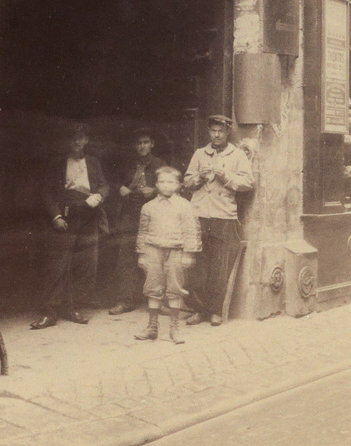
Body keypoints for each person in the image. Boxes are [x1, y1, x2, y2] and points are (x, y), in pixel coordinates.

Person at [30, 127, 110, 329]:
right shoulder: (57, 163)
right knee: (57, 265)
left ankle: (72, 308)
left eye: (80, 138)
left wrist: (99, 196)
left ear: (86, 140)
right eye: (73, 139)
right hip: (66, 216)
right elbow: (47, 191)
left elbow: (104, 185)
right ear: (68, 142)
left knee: (83, 264)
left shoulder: (93, 162)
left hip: (89, 217)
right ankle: (50, 313)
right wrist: (55, 215)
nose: (77, 142)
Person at [183, 114, 254, 326]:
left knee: (219, 267)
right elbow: (187, 182)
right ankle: (198, 310)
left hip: (223, 215)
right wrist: (198, 178)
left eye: (220, 131)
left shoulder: (237, 155)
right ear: (209, 132)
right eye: (213, 130)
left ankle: (215, 310)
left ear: (227, 132)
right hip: (199, 215)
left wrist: (225, 176)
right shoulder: (199, 154)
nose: (216, 134)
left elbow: (248, 183)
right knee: (197, 267)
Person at [134, 166, 201, 344]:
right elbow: (142, 231)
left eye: (170, 182)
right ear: (156, 184)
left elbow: (191, 231)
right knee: (153, 287)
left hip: (176, 251)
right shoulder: (148, 207)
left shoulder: (185, 206)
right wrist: (141, 254)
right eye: (162, 182)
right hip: (153, 250)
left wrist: (189, 253)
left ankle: (174, 328)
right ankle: (152, 327)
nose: (166, 185)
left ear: (179, 185)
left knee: (175, 289)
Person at [108, 131, 164, 315]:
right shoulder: (127, 164)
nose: (142, 146)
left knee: (155, 257)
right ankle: (125, 301)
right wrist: (120, 188)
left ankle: (156, 301)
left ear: (152, 144)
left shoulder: (159, 164)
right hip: (130, 214)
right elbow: (111, 182)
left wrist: (155, 190)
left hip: (153, 214)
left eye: (146, 142)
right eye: (138, 143)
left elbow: (171, 186)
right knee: (126, 257)